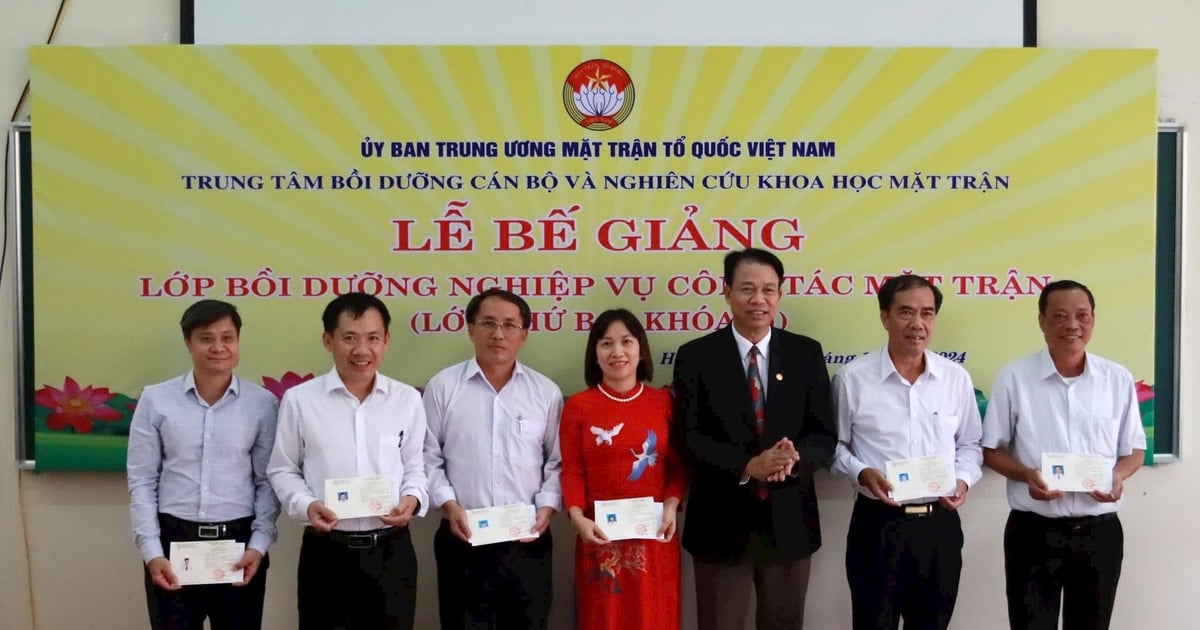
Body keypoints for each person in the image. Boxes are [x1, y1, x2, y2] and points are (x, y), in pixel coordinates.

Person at [673, 247, 837, 630]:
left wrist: (789, 462)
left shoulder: (805, 353)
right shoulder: (696, 356)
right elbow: (689, 437)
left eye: (768, 289)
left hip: (789, 522)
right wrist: (747, 465)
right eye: (747, 289)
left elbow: (824, 434)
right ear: (726, 290)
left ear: (780, 294)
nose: (758, 300)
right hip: (720, 525)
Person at [982, 279, 1145, 630]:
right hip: (1033, 533)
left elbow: (1134, 451)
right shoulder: (1014, 378)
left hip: (1099, 533)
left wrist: (1118, 476)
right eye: (1060, 316)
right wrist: (1027, 476)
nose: (1073, 325)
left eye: (1082, 316)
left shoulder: (1117, 379)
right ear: (1041, 321)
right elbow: (991, 451)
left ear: (1093, 320)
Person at [268, 292, 429, 630]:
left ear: (386, 341)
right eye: (349, 338)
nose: (362, 350)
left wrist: (411, 499)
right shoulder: (300, 401)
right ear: (329, 341)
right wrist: (307, 504)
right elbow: (282, 468)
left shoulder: (407, 400)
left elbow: (416, 465)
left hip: (391, 551)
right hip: (327, 552)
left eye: (372, 338)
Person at [830, 274, 982, 629]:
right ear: (885, 317)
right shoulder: (853, 379)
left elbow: (971, 444)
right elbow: (833, 447)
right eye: (906, 312)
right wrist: (861, 473)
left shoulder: (955, 379)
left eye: (927, 314)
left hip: (939, 525)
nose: (918, 324)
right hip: (878, 526)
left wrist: (963, 480)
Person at [127, 299, 279, 630]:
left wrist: (259, 546)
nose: (219, 347)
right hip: (173, 543)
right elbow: (142, 482)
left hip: (239, 545)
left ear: (238, 341)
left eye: (228, 337)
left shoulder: (263, 404)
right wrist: (153, 552)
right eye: (206, 338)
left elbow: (267, 482)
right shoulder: (156, 400)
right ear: (188, 342)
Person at [422, 288, 563, 630]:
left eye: (510, 325)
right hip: (463, 537)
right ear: (470, 329)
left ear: (524, 335)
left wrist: (547, 508)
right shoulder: (443, 387)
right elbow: (427, 456)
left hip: (526, 541)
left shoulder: (546, 393)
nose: (499, 334)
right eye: (488, 323)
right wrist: (449, 505)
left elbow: (556, 462)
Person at [560, 308, 689, 630]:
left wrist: (672, 505)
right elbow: (572, 470)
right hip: (599, 536)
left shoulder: (663, 402)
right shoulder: (578, 406)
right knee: (604, 618)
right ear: (595, 354)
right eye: (606, 343)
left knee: (653, 617)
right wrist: (577, 518)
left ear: (640, 349)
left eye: (626, 342)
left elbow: (678, 465)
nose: (617, 352)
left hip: (656, 535)